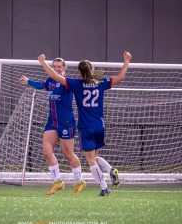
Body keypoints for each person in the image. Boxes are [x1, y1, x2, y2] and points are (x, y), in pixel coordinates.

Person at [38, 52, 132, 196]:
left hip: (86, 126)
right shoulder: (101, 82)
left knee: (90, 161)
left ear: (79, 72)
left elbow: (56, 76)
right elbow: (121, 77)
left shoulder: (76, 84)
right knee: (94, 157)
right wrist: (126, 61)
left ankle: (104, 188)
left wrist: (43, 63)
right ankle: (110, 170)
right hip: (100, 125)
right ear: (92, 70)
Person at [20, 57, 86, 195]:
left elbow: (53, 76)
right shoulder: (50, 81)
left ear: (64, 68)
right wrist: (28, 81)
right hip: (52, 121)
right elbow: (41, 85)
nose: (57, 68)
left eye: (59, 66)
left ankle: (80, 181)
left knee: (68, 153)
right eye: (54, 66)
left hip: (66, 121)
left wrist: (42, 62)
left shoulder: (67, 82)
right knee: (46, 151)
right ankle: (58, 182)